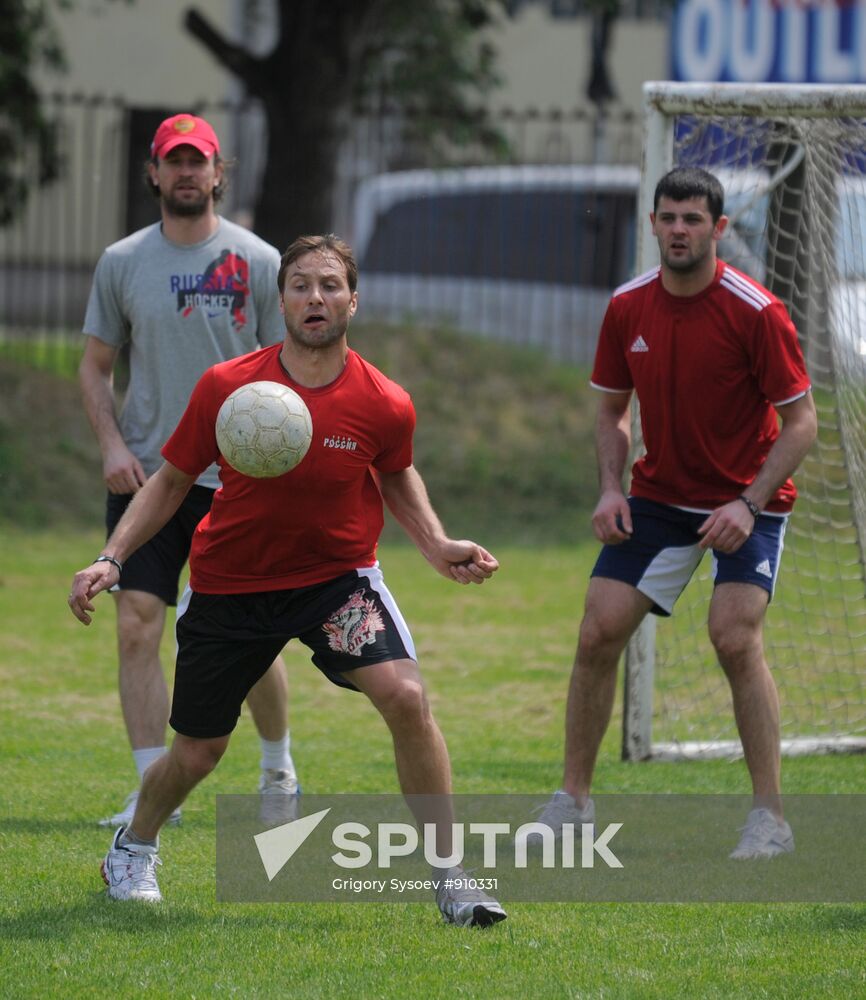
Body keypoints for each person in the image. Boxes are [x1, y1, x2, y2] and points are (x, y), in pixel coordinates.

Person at [68, 233, 507, 927]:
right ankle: (134, 846)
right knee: (199, 752)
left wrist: (436, 542)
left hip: (336, 584)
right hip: (231, 586)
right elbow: (172, 481)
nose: (315, 297)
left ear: (352, 301)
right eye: (301, 285)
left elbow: (395, 474)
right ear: (281, 302)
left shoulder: (385, 401)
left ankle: (453, 877)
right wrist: (112, 558)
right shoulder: (230, 387)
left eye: (330, 285)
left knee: (407, 698)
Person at [528, 167, 817, 860]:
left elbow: (801, 421)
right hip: (659, 498)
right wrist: (610, 487)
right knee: (598, 632)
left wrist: (747, 504)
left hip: (749, 499)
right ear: (652, 225)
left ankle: (769, 818)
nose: (679, 230)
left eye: (693, 219)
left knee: (733, 637)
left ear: (719, 229)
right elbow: (611, 410)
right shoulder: (628, 305)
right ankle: (572, 802)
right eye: (668, 218)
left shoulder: (756, 311)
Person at [78, 113, 299, 829]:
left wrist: (279, 462)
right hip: (146, 478)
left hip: (239, 484)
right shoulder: (122, 261)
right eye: (173, 162)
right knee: (138, 625)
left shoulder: (261, 262)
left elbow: (288, 373)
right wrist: (113, 446)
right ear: (153, 172)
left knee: (249, 637)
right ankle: (153, 790)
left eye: (196, 161)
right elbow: (95, 365)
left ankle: (278, 769)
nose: (185, 173)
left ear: (217, 172)